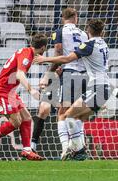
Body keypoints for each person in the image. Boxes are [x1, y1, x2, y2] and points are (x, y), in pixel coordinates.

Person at [34, 19, 113, 161]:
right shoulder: (104, 44)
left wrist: (43, 60)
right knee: (77, 117)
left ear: (89, 31)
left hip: (98, 88)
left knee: (68, 115)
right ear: (102, 32)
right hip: (100, 87)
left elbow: (67, 58)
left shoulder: (89, 45)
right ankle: (76, 151)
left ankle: (79, 151)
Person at [32, 8, 88, 158]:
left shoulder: (58, 31)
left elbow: (58, 51)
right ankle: (79, 148)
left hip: (68, 72)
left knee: (62, 113)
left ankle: (66, 150)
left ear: (62, 18)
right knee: (77, 114)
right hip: (84, 75)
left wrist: (49, 74)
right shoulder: (84, 34)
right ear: (75, 17)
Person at [0, 33, 49, 161]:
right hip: (2, 91)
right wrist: (32, 90)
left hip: (11, 92)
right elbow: (20, 74)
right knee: (16, 122)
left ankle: (27, 150)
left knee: (27, 118)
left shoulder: (27, 52)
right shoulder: (27, 55)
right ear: (43, 48)